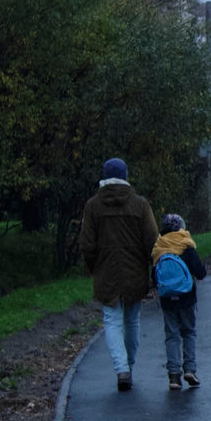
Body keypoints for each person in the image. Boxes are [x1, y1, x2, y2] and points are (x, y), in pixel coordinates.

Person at [80, 157, 159, 390]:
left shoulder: (93, 206)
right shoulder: (140, 204)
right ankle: (130, 366)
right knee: (132, 320)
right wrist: (151, 268)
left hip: (106, 272)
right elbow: (152, 241)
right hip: (135, 271)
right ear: (125, 176)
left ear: (104, 177)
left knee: (112, 321)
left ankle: (121, 368)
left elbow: (87, 244)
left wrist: (95, 267)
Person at [151, 213, 207, 391]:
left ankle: (174, 376)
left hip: (167, 300)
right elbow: (200, 273)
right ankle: (189, 369)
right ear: (181, 227)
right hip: (187, 298)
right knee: (188, 332)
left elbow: (154, 278)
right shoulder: (186, 246)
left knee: (172, 335)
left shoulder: (159, 248)